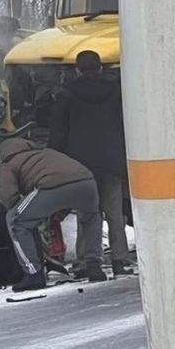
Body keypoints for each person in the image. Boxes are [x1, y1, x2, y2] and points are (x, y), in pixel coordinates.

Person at [49, 51, 133, 277]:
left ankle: (86, 261)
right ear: (100, 68)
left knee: (87, 213)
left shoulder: (66, 94)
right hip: (112, 160)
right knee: (115, 214)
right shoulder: (116, 92)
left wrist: (56, 159)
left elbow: (59, 131)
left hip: (81, 165)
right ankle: (119, 260)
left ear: (77, 70)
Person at [0, 138, 107, 292]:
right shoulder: (47, 153)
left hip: (50, 187)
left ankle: (33, 274)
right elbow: (66, 177)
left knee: (15, 220)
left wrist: (23, 210)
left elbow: (8, 196)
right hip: (87, 182)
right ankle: (94, 265)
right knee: (91, 217)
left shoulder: (8, 164)